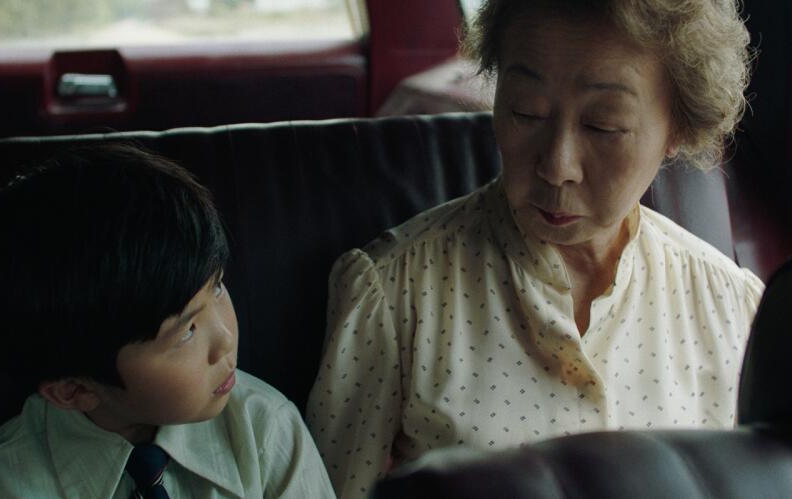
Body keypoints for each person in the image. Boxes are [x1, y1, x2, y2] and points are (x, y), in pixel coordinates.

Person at [305, 1, 763, 497]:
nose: (557, 166)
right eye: (526, 111)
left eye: (604, 126)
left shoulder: (732, 306)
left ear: (676, 129)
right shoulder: (395, 294)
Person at [0, 144, 334, 499]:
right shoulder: (1, 483)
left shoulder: (266, 428)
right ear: (74, 391)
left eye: (217, 288)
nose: (225, 339)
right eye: (185, 332)